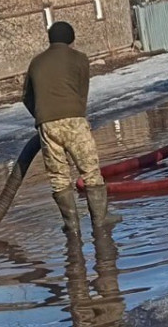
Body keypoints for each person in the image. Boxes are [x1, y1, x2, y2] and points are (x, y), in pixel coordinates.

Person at [23, 21, 121, 234]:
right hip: (74, 120)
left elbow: (26, 97)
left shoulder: (36, 62)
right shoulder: (80, 58)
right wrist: (78, 113)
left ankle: (71, 225)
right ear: (71, 39)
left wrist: (43, 117)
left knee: (58, 176)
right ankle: (101, 219)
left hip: (47, 125)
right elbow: (81, 90)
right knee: (90, 170)